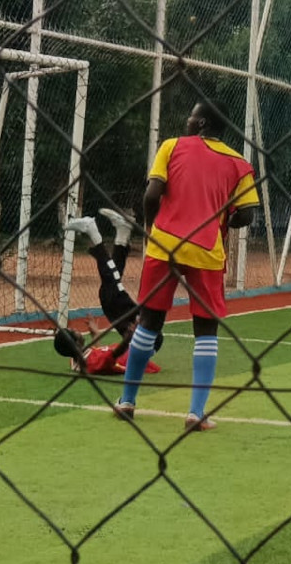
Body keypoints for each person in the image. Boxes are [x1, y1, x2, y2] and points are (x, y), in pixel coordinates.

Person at [114, 100, 259, 432]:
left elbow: (152, 196)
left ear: (203, 124)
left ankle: (127, 401)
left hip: (164, 245)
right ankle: (196, 413)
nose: (187, 121)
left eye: (191, 117)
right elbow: (247, 215)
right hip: (207, 250)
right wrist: (224, 219)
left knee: (149, 321)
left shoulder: (171, 146)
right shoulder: (240, 165)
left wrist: (152, 229)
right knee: (205, 329)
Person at [54, 209, 161, 376]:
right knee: (110, 295)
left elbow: (98, 351)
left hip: (137, 341)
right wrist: (130, 336)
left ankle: (122, 236)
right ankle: (95, 234)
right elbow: (115, 354)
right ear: (75, 344)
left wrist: (95, 333)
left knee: (111, 288)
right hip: (145, 342)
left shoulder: (77, 359)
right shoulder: (92, 363)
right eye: (74, 333)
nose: (77, 330)